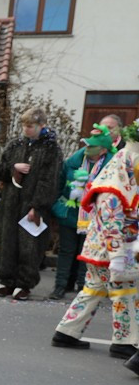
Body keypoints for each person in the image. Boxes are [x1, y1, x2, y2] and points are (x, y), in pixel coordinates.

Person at [53, 129, 139, 360]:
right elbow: (113, 223)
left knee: (93, 289)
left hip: (100, 249)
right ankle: (124, 341)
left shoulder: (115, 180)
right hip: (113, 251)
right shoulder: (113, 189)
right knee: (125, 292)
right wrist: (119, 257)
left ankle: (66, 331)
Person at [0, 108, 63, 301]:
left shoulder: (51, 149)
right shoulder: (15, 145)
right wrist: (12, 168)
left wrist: (38, 206)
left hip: (32, 204)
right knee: (7, 242)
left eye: (30, 126)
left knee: (29, 246)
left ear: (42, 126)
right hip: (10, 202)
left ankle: (25, 283)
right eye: (24, 125)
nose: (26, 129)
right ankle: (6, 280)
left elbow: (49, 181)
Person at [51, 125, 115, 299]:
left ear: (102, 150)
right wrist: (56, 206)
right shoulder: (73, 162)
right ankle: (60, 285)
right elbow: (60, 183)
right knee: (66, 250)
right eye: (86, 146)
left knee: (86, 252)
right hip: (70, 212)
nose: (87, 149)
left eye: (92, 147)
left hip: (94, 216)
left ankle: (83, 286)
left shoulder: (112, 166)